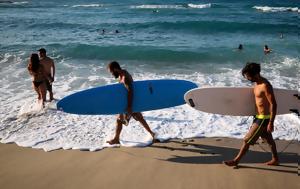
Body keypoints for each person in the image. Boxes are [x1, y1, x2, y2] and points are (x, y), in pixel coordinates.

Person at [224, 62, 279, 166]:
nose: (247, 78)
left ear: (256, 74)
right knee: (269, 140)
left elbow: (273, 104)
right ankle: (276, 159)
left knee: (246, 140)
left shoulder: (265, 86)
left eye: (248, 76)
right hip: (258, 116)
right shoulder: (256, 83)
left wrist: (271, 122)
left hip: (263, 119)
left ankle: (236, 161)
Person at [106, 61, 155, 145]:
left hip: (130, 102)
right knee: (139, 118)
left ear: (115, 69)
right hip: (130, 102)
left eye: (111, 72)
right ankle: (152, 134)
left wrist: (129, 106)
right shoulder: (122, 74)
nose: (111, 74)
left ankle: (116, 139)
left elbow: (130, 91)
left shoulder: (125, 77)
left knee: (120, 120)